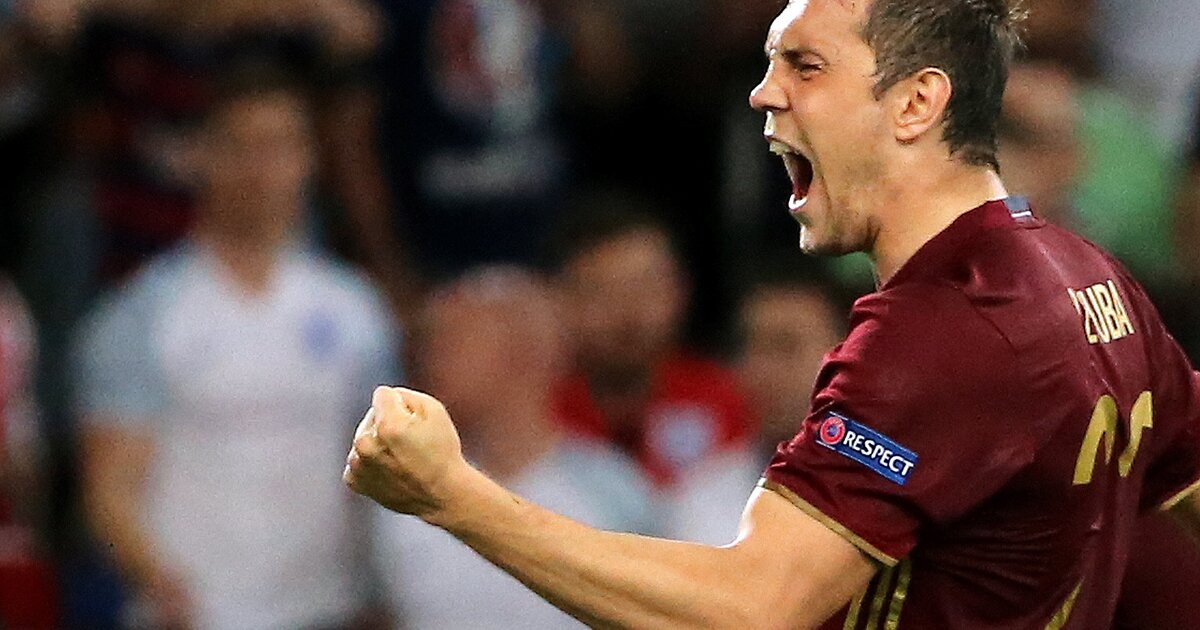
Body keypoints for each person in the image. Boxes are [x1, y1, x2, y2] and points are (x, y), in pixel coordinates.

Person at [344, 1, 1200, 628]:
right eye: (769, 63)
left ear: (916, 102)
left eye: (805, 66)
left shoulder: (939, 333)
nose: (763, 93)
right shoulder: (1095, 278)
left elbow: (752, 608)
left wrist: (453, 496)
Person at [75, 68, 398, 629]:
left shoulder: (357, 311)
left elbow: (387, 473)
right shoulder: (143, 315)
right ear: (200, 157)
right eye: (239, 147)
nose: (259, 168)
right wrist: (161, 585)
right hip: (196, 614)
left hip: (327, 609)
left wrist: (381, 590)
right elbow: (110, 489)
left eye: (279, 146)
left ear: (309, 159)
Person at [372, 266, 651, 629]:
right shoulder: (400, 491)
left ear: (524, 353)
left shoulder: (615, 494)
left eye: (453, 341)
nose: (429, 359)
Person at [550, 200, 758, 544]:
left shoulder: (728, 398)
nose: (629, 314)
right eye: (603, 291)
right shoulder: (540, 413)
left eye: (647, 287)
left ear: (681, 290)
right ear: (560, 299)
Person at [735, 262, 843, 462]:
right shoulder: (707, 481)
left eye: (785, 346)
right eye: (753, 347)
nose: (761, 370)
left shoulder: (898, 474)